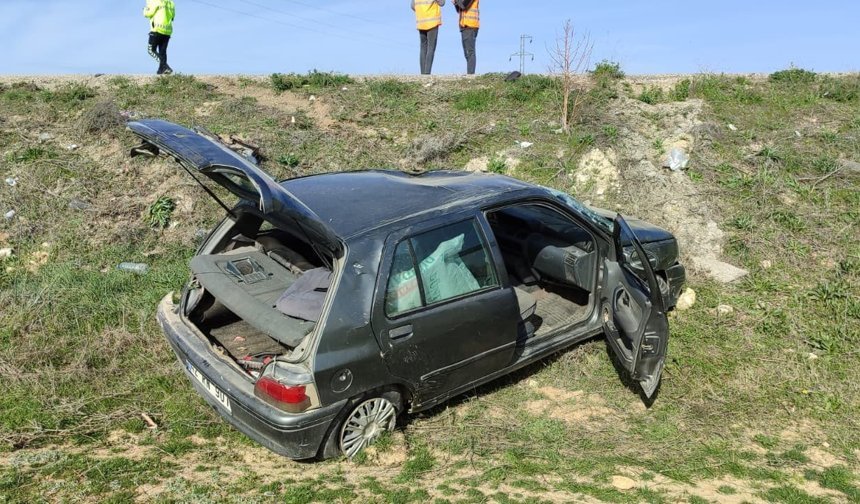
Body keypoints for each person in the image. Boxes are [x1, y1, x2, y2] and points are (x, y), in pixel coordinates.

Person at [412, 0, 445, 75]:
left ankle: (423, 73)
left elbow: (412, 6)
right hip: (432, 22)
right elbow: (442, 3)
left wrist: (422, 12)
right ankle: (427, 72)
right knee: (431, 48)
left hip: (421, 22)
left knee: (423, 48)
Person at [144, 0, 176, 75]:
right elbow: (173, 17)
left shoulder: (155, 1)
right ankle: (161, 70)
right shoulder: (171, 2)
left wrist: (145, 9)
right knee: (162, 52)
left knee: (151, 50)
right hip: (167, 30)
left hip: (157, 29)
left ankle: (165, 66)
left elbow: (148, 14)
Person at [454, 0, 479, 74]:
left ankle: (470, 74)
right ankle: (470, 73)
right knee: (466, 52)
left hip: (470, 25)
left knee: (470, 52)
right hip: (464, 26)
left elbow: (464, 6)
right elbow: (459, 9)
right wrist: (455, 3)